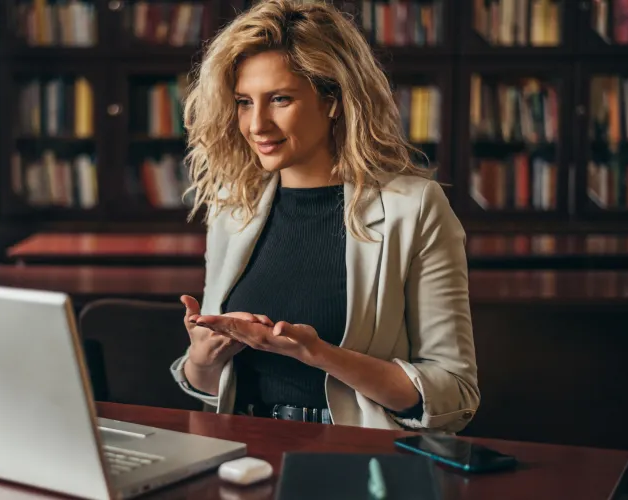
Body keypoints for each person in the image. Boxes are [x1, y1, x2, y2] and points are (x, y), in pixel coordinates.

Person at [168, 0, 479, 433]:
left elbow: (455, 394)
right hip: (244, 451)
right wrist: (204, 356)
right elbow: (206, 385)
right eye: (243, 102)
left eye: (280, 99)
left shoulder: (415, 208)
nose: (256, 124)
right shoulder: (231, 205)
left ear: (333, 99)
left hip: (357, 457)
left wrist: (317, 353)